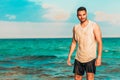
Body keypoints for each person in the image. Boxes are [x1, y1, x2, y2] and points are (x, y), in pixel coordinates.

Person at [67, 6, 102, 80]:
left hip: (90, 57)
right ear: (77, 16)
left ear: (86, 14)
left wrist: (99, 57)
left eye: (83, 14)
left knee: (90, 78)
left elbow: (99, 42)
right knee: (77, 78)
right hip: (78, 57)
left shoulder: (94, 25)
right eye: (79, 15)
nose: (82, 17)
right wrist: (69, 56)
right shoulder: (75, 27)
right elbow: (73, 42)